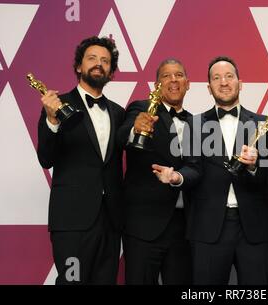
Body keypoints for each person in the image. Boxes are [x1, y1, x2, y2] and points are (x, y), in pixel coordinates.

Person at [152, 56, 268, 285]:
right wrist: (176, 177)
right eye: (216, 78)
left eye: (229, 76)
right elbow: (192, 169)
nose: (224, 82)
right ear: (209, 88)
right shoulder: (194, 125)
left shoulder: (264, 124)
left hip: (254, 229)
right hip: (208, 228)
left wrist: (255, 166)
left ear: (240, 83)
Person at [37, 36, 125, 284]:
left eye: (106, 61)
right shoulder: (57, 105)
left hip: (110, 221)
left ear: (111, 71)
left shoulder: (118, 112)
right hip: (72, 222)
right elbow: (46, 158)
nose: (99, 64)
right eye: (92, 58)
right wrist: (52, 120)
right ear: (79, 66)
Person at [117, 59, 193, 285]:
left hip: (184, 228)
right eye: (166, 76)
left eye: (178, 75)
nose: (173, 80)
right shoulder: (142, 108)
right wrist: (135, 129)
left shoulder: (196, 122)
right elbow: (121, 137)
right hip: (144, 226)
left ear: (187, 83)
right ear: (156, 85)